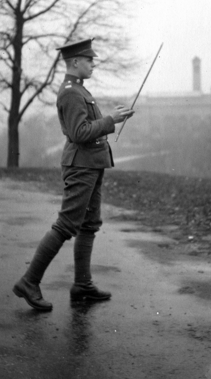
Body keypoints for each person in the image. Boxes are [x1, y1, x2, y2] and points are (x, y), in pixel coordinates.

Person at [13, 39, 134, 311]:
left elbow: (88, 127)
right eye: (89, 60)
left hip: (90, 164)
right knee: (67, 225)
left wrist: (114, 118)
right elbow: (79, 133)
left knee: (89, 224)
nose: (93, 64)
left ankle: (82, 285)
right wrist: (110, 120)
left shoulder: (79, 90)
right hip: (81, 166)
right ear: (75, 62)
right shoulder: (70, 93)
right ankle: (29, 281)